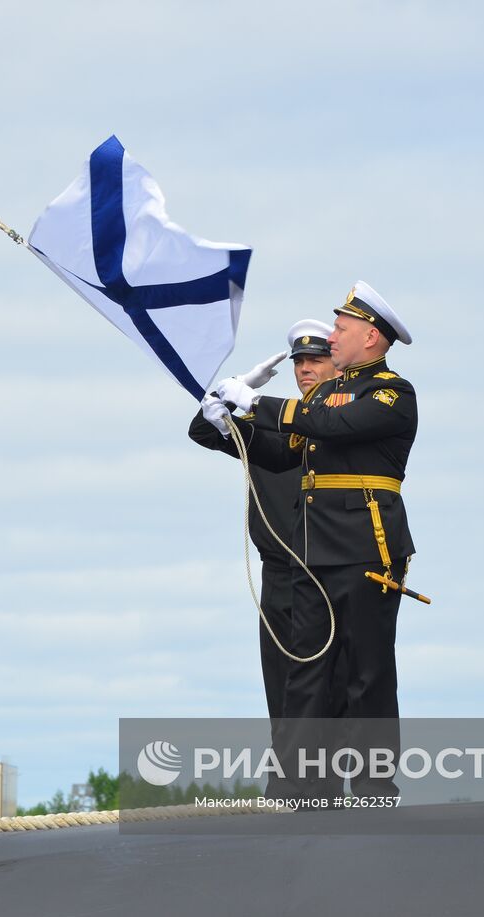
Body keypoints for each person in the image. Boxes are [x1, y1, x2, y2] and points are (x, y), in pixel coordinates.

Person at [211, 281, 417, 800]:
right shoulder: (324, 394)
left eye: (341, 329)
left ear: (371, 337)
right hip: (312, 553)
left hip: (367, 549)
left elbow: (334, 424)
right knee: (306, 671)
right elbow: (284, 453)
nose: (332, 336)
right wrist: (229, 417)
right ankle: (300, 785)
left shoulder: (392, 392)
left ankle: (373, 782)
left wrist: (258, 405)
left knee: (367, 670)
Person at [187, 321, 341, 733]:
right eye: (300, 362)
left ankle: (340, 787)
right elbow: (203, 429)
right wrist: (229, 391)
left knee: (338, 690)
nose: (306, 368)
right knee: (284, 690)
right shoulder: (275, 419)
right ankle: (296, 789)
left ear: (337, 366)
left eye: (317, 360)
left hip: (330, 572)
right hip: (279, 575)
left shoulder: (345, 421)